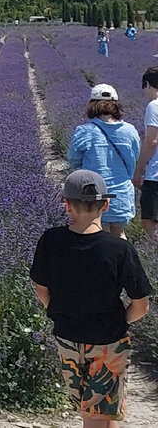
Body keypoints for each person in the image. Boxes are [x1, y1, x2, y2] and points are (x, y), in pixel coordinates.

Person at [30, 169, 151, 428]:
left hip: (67, 337)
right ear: (106, 204)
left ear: (67, 205)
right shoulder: (119, 249)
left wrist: (62, 311)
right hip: (108, 340)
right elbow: (141, 305)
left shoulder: (50, 241)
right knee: (99, 413)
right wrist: (120, 321)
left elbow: (41, 289)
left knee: (96, 412)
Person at [67, 85, 140, 237]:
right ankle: (123, 261)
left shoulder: (84, 131)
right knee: (119, 235)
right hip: (121, 192)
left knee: (94, 234)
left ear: (92, 105)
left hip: (93, 192)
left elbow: (74, 160)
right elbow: (133, 161)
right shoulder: (130, 131)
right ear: (116, 105)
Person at [134, 67, 158, 237]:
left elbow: (151, 141)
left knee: (149, 221)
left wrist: (138, 170)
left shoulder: (154, 106)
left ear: (148, 85)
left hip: (156, 174)